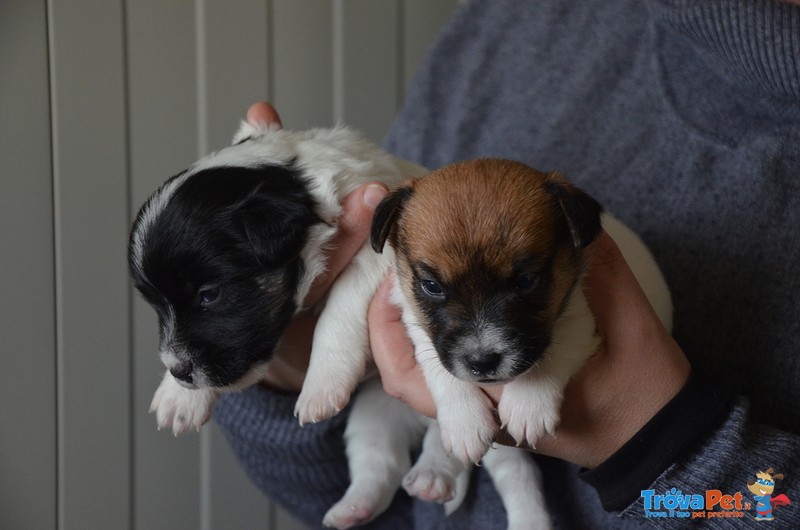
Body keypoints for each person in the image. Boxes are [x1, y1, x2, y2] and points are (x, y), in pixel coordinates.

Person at [215, 0, 800, 527]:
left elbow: (769, 503)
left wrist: (655, 448)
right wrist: (276, 371)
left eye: (524, 281)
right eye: (435, 288)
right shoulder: (500, 26)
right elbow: (391, 517)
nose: (482, 344)